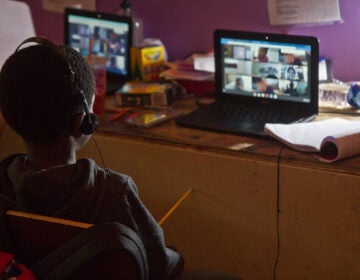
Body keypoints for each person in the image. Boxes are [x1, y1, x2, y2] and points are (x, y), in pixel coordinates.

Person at [0, 37, 184, 280]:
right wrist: (176, 256)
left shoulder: (4, 184)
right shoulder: (115, 193)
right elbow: (161, 267)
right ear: (82, 123)